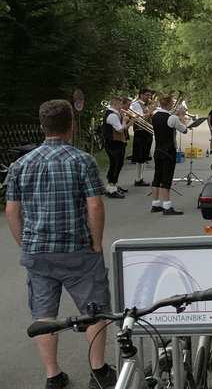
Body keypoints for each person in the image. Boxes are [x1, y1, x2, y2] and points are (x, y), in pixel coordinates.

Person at [5, 100, 117, 389]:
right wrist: (96, 242)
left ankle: (53, 375)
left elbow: (12, 211)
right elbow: (95, 206)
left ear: (43, 127)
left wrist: (25, 244)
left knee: (44, 314)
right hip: (78, 249)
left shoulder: (20, 165)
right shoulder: (82, 160)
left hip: (38, 252)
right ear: (72, 125)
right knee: (94, 309)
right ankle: (99, 371)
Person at [150, 94, 188, 215]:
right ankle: (167, 206)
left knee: (157, 177)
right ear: (169, 104)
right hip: (168, 151)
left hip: (158, 150)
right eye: (172, 103)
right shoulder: (172, 118)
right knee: (166, 178)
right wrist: (181, 117)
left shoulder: (155, 116)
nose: (173, 104)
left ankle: (155, 204)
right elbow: (184, 130)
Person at [102, 96, 130, 197]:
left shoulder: (115, 113)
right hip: (114, 143)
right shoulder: (112, 115)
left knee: (116, 164)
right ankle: (111, 189)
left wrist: (126, 119)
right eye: (120, 104)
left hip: (116, 142)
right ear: (115, 104)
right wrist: (125, 120)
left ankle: (112, 186)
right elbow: (120, 129)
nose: (122, 106)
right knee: (116, 164)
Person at [129, 88, 154, 186]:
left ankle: (140, 178)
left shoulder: (148, 105)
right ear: (141, 95)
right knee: (139, 157)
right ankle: (138, 178)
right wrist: (150, 112)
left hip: (148, 133)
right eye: (147, 95)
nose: (149, 97)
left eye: (150, 95)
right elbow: (140, 120)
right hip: (140, 132)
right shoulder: (135, 105)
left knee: (144, 157)